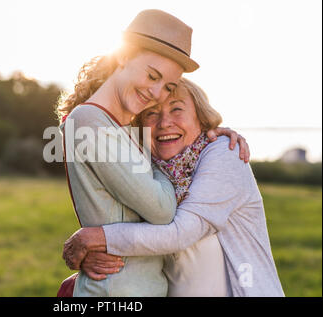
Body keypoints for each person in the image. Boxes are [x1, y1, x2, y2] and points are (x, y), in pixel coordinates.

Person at [57, 9, 249, 297]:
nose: (157, 92)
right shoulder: (89, 120)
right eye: (152, 75)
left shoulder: (124, 131)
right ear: (123, 56)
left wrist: (207, 140)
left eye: (168, 86)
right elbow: (161, 211)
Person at [62, 77, 285, 297]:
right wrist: (95, 254)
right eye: (151, 112)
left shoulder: (224, 154)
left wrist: (96, 238)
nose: (164, 122)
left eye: (177, 109)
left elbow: (179, 233)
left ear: (201, 118)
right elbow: (140, 241)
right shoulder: (148, 177)